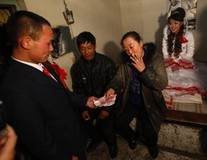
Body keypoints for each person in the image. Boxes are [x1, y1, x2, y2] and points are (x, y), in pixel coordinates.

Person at [0, 10, 97, 160]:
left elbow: (60, 93)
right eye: (48, 43)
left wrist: (84, 101)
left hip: (73, 138)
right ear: (26, 42)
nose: (52, 48)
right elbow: (37, 140)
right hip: (63, 151)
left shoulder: (41, 63)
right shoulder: (14, 89)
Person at [104, 31, 168, 159]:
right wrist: (112, 88)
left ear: (141, 43)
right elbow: (118, 79)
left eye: (131, 46)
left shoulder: (156, 59)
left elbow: (162, 83)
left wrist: (144, 70)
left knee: (150, 132)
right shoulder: (126, 61)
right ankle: (132, 137)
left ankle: (152, 145)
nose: (129, 52)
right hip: (132, 100)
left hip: (149, 102)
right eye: (125, 49)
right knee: (119, 124)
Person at [70, 31, 118, 159]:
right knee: (87, 126)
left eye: (89, 48)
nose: (86, 52)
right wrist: (84, 108)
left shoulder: (107, 63)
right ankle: (97, 139)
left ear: (95, 46)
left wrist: (107, 109)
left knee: (108, 129)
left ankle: (112, 144)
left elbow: (115, 87)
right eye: (82, 49)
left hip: (106, 103)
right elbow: (78, 89)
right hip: (88, 104)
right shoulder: (76, 68)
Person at [162, 7, 205, 105]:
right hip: (170, 59)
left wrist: (180, 64)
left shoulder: (188, 35)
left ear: (181, 23)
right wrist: (169, 61)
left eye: (175, 23)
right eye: (170, 23)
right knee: (164, 76)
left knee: (186, 77)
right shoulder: (166, 31)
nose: (172, 26)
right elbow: (164, 47)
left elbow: (190, 52)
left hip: (183, 61)